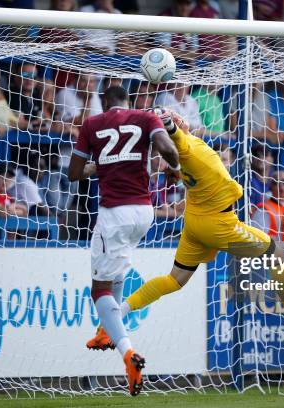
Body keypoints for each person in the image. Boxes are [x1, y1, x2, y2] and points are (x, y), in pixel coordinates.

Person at [87, 107, 284, 366]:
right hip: (219, 223)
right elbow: (174, 135)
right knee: (276, 254)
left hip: (196, 222)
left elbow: (175, 150)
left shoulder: (186, 151)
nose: (181, 117)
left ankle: (114, 320)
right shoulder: (184, 146)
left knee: (174, 280)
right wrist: (161, 118)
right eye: (176, 116)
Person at [68, 86, 180, 396]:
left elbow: (73, 172)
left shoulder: (93, 124)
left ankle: (129, 354)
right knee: (115, 272)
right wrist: (176, 169)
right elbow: (167, 148)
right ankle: (106, 331)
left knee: (99, 288)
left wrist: (95, 166)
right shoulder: (146, 117)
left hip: (114, 213)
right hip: (144, 213)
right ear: (127, 100)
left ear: (104, 102)